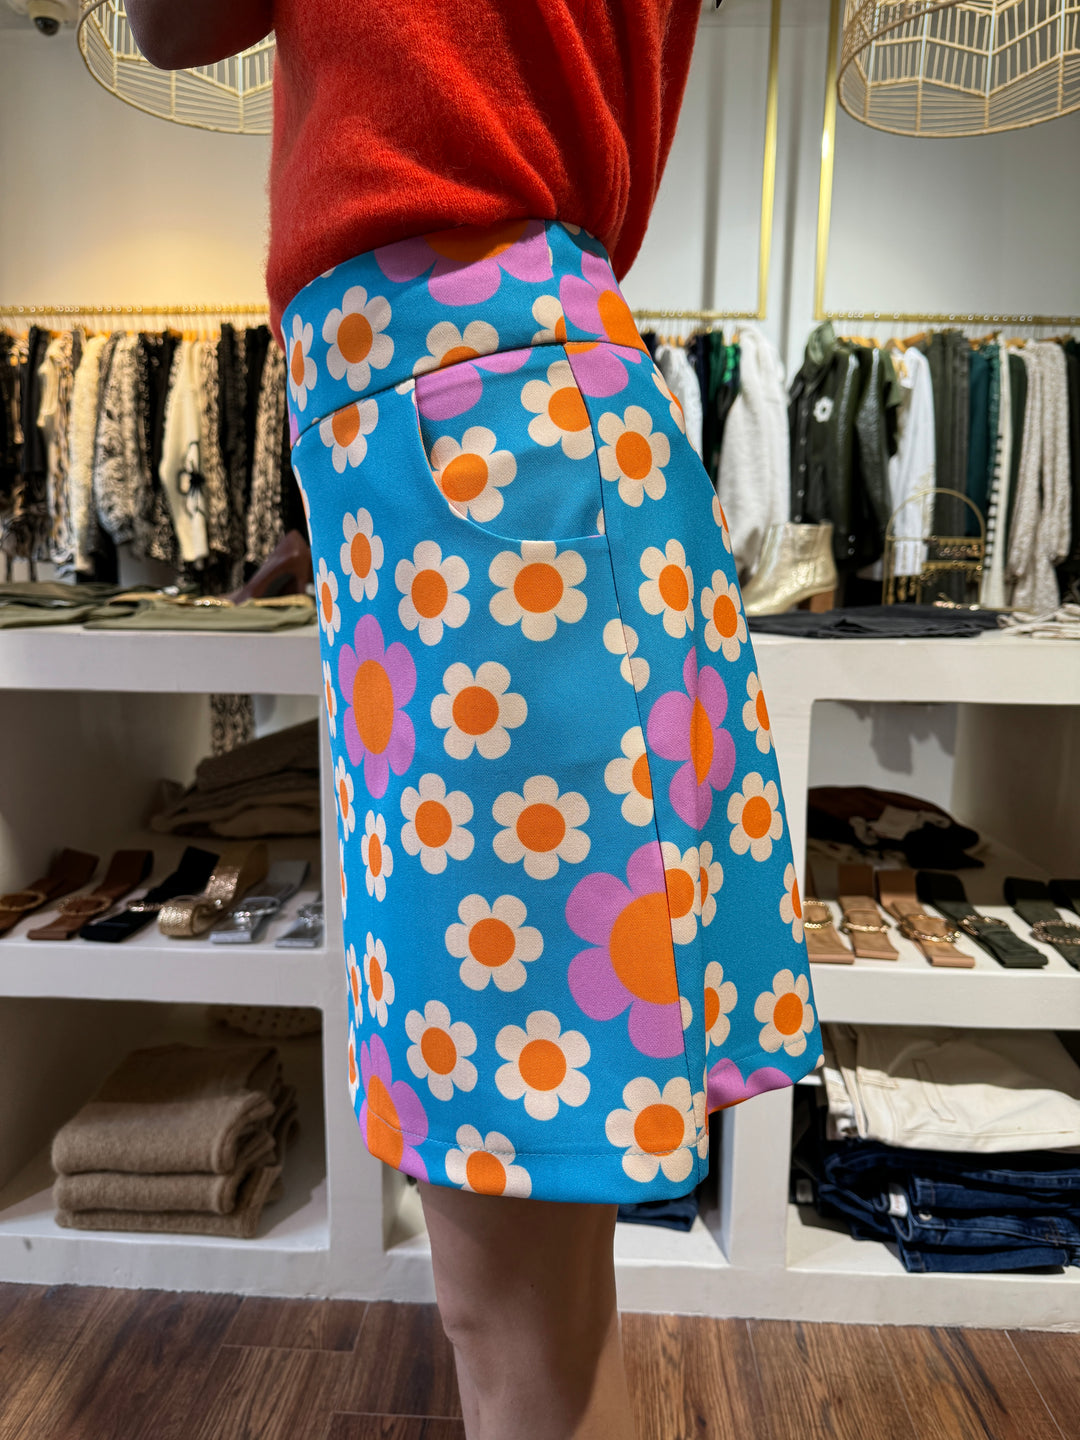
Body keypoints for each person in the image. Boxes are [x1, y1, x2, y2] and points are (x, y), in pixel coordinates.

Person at [127, 5, 824, 1437]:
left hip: (471, 439)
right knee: (538, 1293)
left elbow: (170, 19)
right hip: (483, 426)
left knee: (511, 1301)